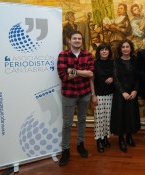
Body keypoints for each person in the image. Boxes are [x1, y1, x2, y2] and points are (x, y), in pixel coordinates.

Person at [57, 31, 94, 166]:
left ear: (81, 40)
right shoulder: (63, 55)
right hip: (69, 94)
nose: (77, 40)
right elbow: (63, 75)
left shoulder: (88, 55)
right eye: (74, 38)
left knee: (82, 121)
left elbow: (90, 73)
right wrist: (81, 72)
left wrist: (72, 71)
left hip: (84, 94)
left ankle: (80, 145)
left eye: (79, 38)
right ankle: (65, 150)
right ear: (70, 40)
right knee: (67, 124)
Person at [110, 39, 141, 153]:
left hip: (132, 93)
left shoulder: (135, 60)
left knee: (131, 115)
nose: (125, 49)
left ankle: (129, 136)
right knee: (121, 116)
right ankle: (121, 139)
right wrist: (123, 92)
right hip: (120, 94)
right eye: (123, 47)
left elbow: (138, 77)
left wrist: (135, 91)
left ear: (131, 48)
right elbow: (115, 78)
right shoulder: (116, 61)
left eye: (127, 46)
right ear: (120, 49)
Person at [90, 43, 114, 153]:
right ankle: (99, 140)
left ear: (109, 52)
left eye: (106, 49)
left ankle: (105, 138)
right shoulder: (94, 63)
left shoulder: (113, 63)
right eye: (102, 50)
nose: (104, 51)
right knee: (99, 119)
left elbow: (117, 75)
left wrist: (113, 78)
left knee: (108, 118)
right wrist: (93, 95)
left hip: (111, 94)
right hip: (99, 95)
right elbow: (91, 80)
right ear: (98, 52)